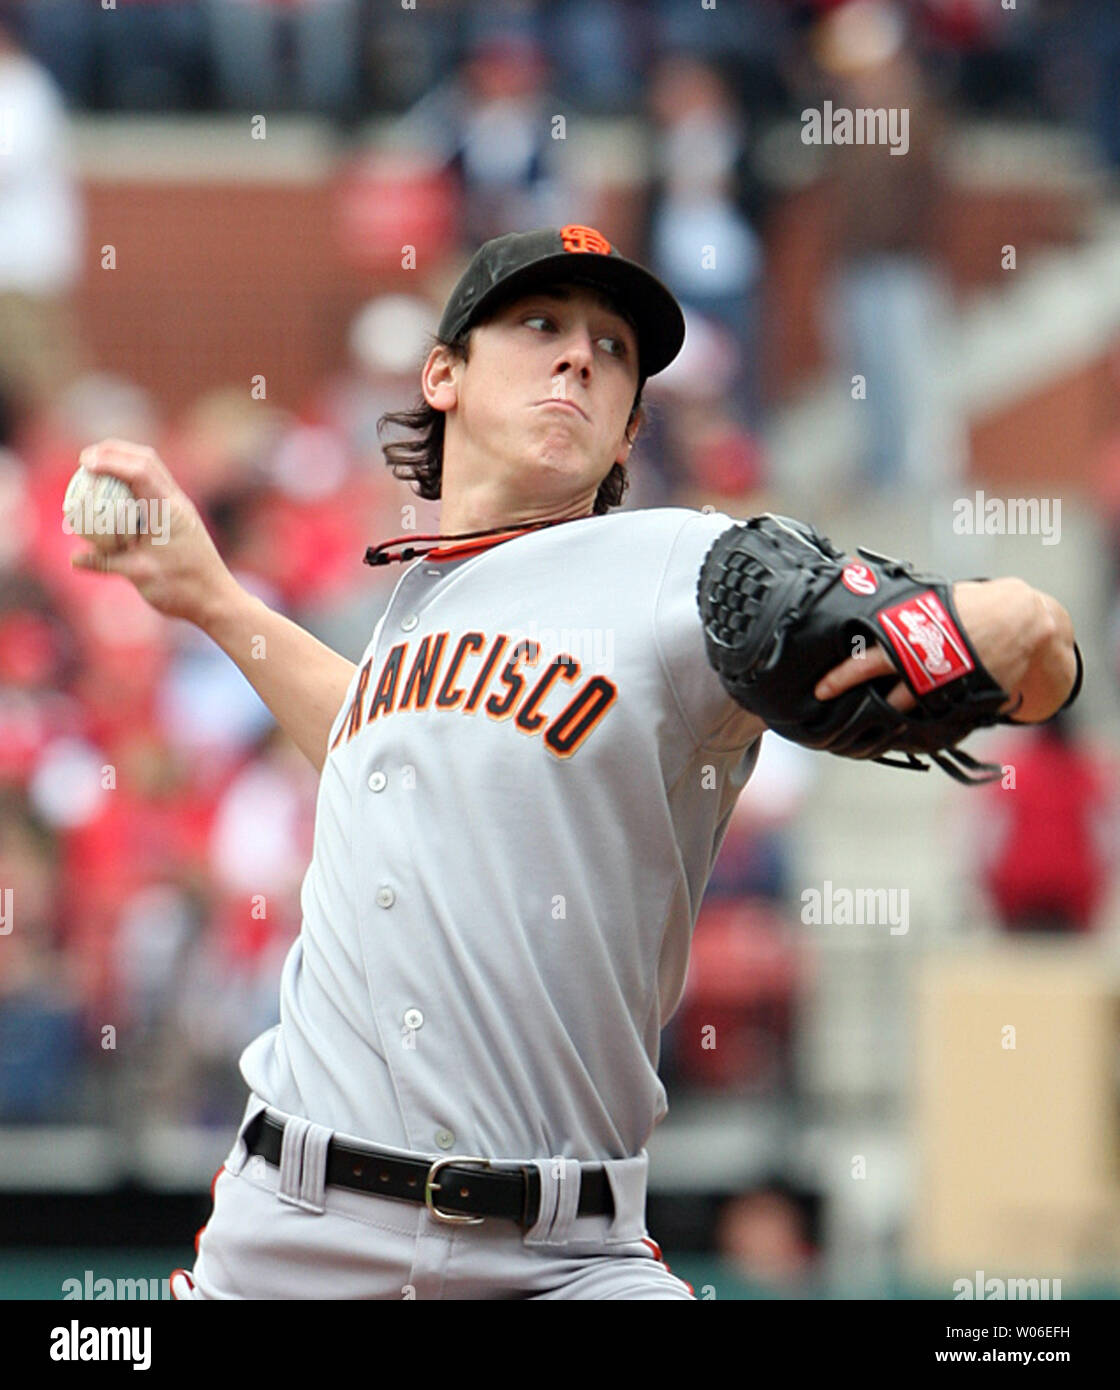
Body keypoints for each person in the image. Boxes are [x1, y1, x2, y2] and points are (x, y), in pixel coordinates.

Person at [69, 225, 1079, 1300]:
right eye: (540, 324)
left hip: (563, 1255)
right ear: (442, 374)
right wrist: (211, 599)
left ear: (629, 430)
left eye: (611, 349)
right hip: (294, 1237)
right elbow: (376, 734)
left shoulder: (672, 568)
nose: (578, 357)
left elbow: (1035, 656)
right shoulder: (414, 609)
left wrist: (1017, 620)